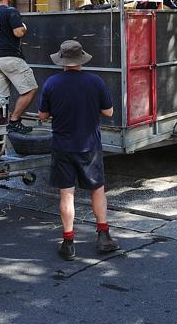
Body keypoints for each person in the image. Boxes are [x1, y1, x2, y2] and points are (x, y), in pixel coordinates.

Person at [38, 40, 119, 261]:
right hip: (89, 146)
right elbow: (109, 112)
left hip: (62, 147)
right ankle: (103, 236)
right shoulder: (95, 81)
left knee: (66, 194)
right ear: (81, 59)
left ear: (62, 61)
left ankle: (68, 242)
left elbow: (43, 115)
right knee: (97, 190)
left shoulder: (52, 83)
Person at [0, 0, 38, 134]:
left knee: (0, 98)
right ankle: (14, 121)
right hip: (10, 58)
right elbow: (19, 32)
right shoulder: (11, 11)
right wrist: (24, 26)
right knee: (30, 89)